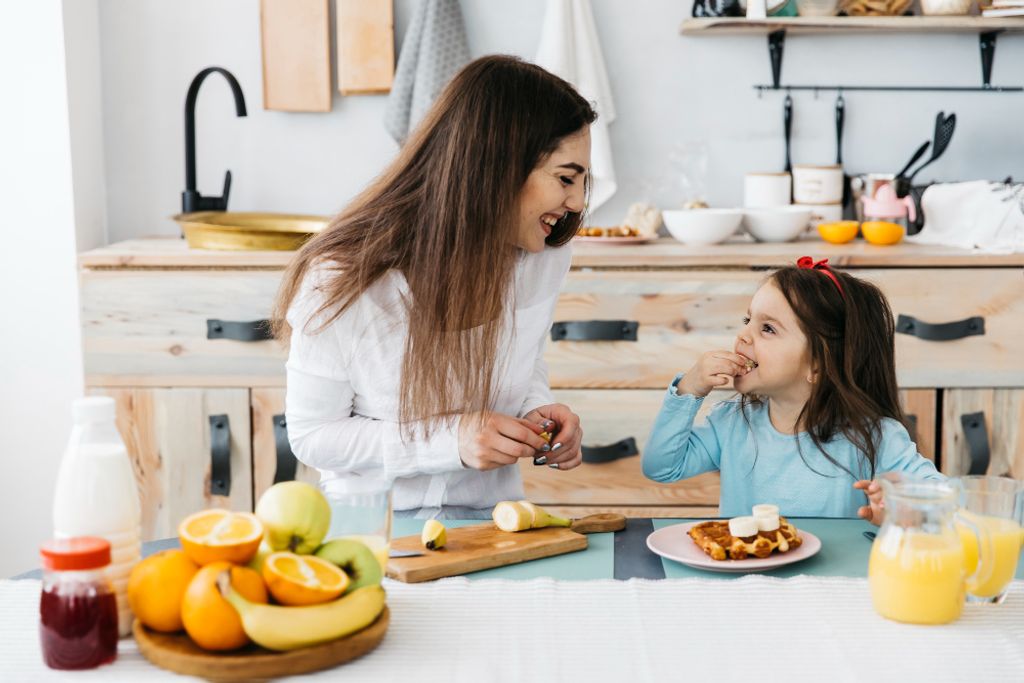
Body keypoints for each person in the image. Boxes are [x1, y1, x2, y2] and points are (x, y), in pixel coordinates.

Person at [272, 55, 596, 519]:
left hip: (489, 528)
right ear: (496, 166)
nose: (577, 202)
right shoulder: (343, 277)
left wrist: (537, 408)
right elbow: (313, 436)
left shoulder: (542, 260)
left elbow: (525, 362)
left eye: (583, 181)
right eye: (566, 178)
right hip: (372, 530)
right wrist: (452, 442)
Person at [642, 257, 942, 524]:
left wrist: (900, 507)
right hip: (747, 580)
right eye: (748, 320)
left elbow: (941, 500)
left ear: (818, 365)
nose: (743, 335)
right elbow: (662, 467)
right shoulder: (732, 422)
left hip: (832, 584)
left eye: (767, 329)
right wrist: (689, 388)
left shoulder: (876, 437)